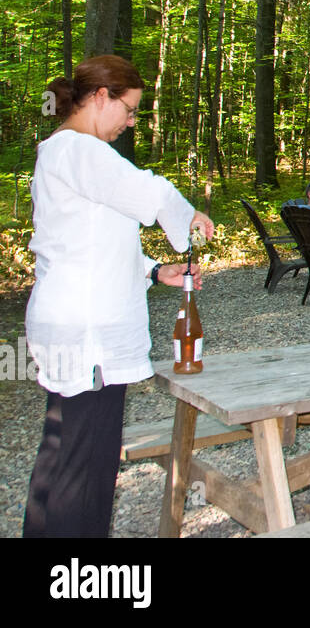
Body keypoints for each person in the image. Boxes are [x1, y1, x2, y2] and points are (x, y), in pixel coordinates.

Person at [23, 55, 215, 538]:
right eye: (129, 110)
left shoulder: (63, 153)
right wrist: (188, 216)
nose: (130, 122)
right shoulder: (80, 150)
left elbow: (91, 240)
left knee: (62, 453)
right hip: (87, 329)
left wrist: (153, 271)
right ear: (101, 97)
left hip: (71, 319)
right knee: (87, 468)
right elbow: (147, 191)